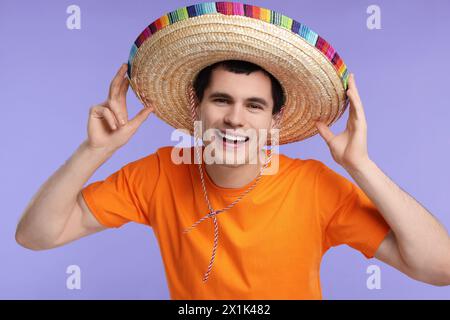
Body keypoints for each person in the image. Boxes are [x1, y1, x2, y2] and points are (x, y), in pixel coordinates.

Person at [16, 2, 450, 299]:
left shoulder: (315, 187)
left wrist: (361, 166)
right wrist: (94, 151)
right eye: (221, 100)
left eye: (254, 105)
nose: (235, 119)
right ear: (197, 108)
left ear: (274, 121)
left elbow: (439, 268)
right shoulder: (157, 174)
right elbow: (36, 235)